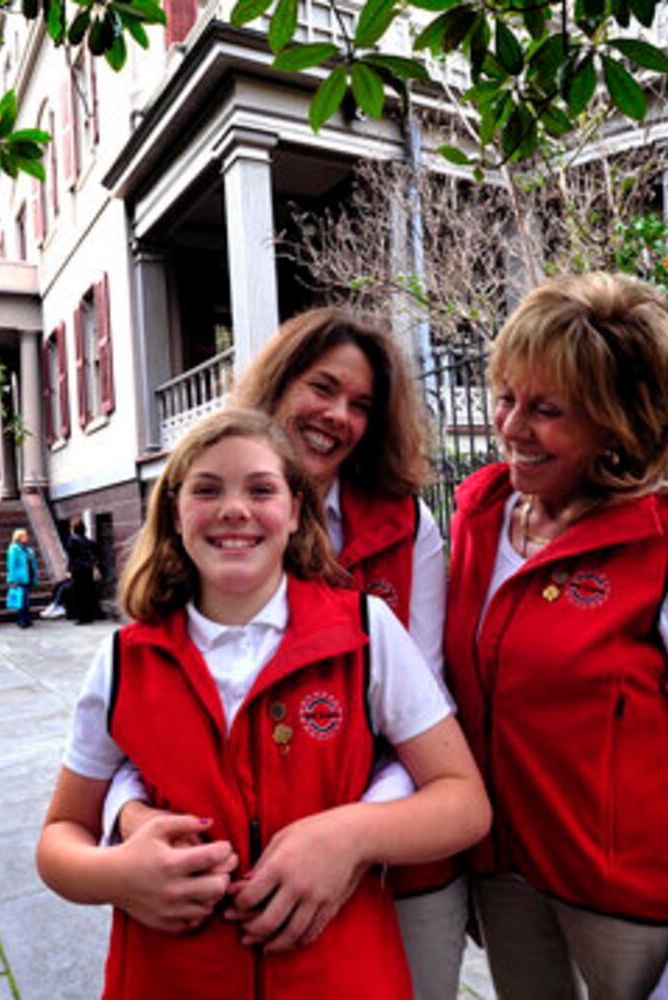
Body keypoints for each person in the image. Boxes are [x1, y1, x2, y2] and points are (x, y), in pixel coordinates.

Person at [35, 409, 490, 1000]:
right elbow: (60, 835)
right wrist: (116, 874)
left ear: (296, 508)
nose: (234, 510)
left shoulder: (366, 632)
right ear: (175, 512)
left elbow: (463, 801)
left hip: (343, 976)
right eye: (206, 489)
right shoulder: (124, 660)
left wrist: (350, 836)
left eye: (260, 489)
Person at [107, 307, 467, 999]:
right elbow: (134, 716)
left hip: (397, 863)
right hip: (230, 877)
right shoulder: (212, 530)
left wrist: (348, 833)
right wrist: (130, 818)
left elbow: (424, 718)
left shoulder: (404, 524)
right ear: (277, 382)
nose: (337, 415)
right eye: (321, 387)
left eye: (360, 405)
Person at [445, 273, 668, 999]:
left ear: (618, 420)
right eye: (506, 396)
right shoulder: (477, 516)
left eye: (546, 410)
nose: (509, 427)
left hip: (624, 900)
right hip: (501, 879)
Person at [62, 519, 102, 624]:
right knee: (88, 592)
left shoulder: (72, 540)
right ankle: (89, 616)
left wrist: (68, 570)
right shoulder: (87, 540)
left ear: (73, 529)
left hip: (77, 570)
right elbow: (97, 548)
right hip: (87, 569)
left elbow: (71, 557)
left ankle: (82, 617)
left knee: (79, 594)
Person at [5, 527, 38, 629]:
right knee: (21, 599)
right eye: (24, 535)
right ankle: (21, 620)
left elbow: (32, 563)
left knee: (26, 599)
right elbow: (11, 565)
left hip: (29, 577)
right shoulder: (14, 549)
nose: (27, 537)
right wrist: (12, 580)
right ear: (19, 537)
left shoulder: (28, 550)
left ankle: (27, 619)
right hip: (19, 578)